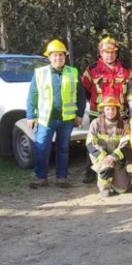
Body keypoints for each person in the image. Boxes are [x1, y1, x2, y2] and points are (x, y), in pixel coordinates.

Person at [26, 39, 86, 189]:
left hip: (66, 119)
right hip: (46, 119)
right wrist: (30, 116)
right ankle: (41, 177)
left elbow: (80, 96)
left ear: (65, 56)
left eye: (61, 55)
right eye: (55, 55)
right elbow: (32, 95)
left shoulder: (73, 72)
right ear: (49, 57)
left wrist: (79, 114)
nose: (58, 58)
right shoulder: (40, 73)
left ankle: (62, 178)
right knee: (41, 148)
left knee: (63, 149)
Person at [82, 36, 132, 183]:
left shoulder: (125, 69)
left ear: (116, 53)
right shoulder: (91, 69)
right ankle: (91, 171)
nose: (109, 55)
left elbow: (130, 90)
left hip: (120, 114)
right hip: (97, 113)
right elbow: (84, 89)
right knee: (95, 141)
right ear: (100, 52)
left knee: (120, 142)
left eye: (112, 52)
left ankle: (120, 169)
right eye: (106, 52)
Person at [86, 94, 131, 198]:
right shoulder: (96, 123)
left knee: (122, 189)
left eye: (113, 109)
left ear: (117, 110)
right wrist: (104, 158)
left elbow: (127, 145)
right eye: (107, 109)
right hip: (102, 159)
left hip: (116, 159)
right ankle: (104, 187)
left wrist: (113, 157)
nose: (110, 112)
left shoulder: (124, 125)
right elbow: (90, 143)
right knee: (106, 168)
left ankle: (120, 177)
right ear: (103, 110)